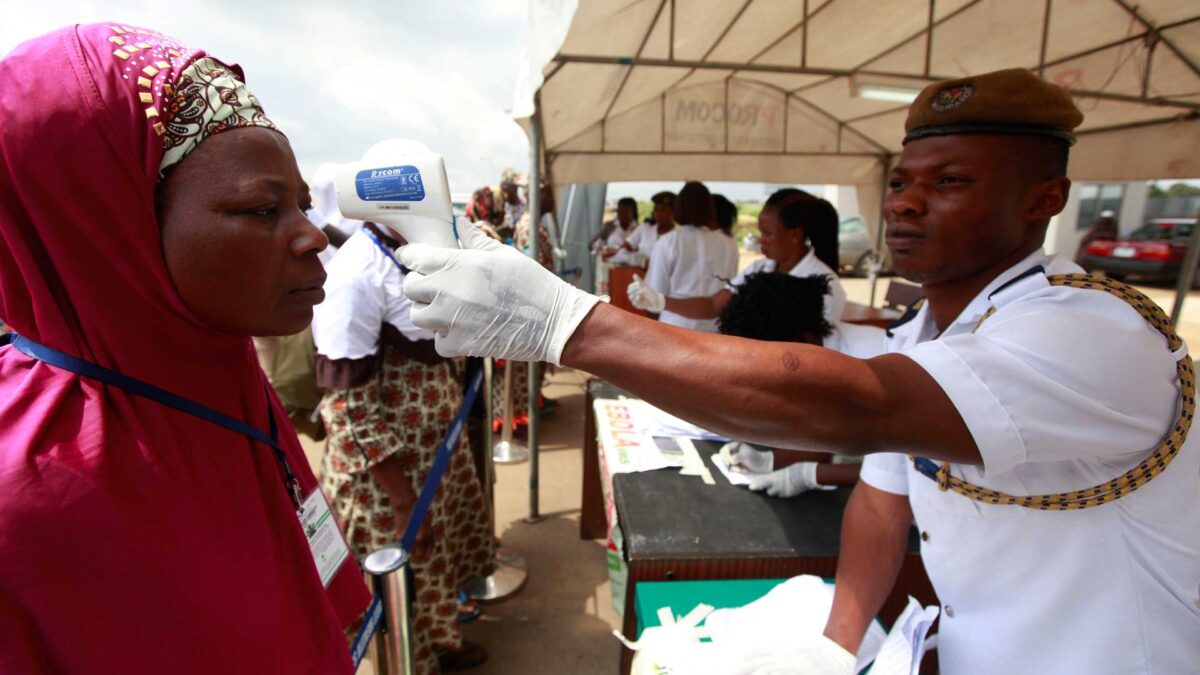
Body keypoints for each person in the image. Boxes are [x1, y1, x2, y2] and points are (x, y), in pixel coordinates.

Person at [397, 68, 1200, 673]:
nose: (906, 206)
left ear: (1044, 199)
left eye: (949, 182)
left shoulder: (1092, 328)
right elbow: (885, 506)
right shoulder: (929, 328)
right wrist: (835, 647)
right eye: (900, 183)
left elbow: (859, 409)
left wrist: (563, 323)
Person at [0, 23, 369, 673]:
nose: (313, 237)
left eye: (305, 206)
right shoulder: (24, 501)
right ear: (111, 227)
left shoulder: (217, 376)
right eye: (263, 209)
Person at [312, 223, 493, 673]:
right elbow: (348, 408)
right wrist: (401, 498)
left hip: (433, 460)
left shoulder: (406, 251)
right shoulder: (358, 273)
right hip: (388, 479)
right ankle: (412, 660)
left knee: (436, 561)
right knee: (398, 582)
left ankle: (441, 641)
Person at [715, 273, 871, 496]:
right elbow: (829, 436)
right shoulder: (815, 351)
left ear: (802, 340)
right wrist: (769, 461)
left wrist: (810, 475)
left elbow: (901, 469)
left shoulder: (870, 363)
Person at [629, 189, 847, 322]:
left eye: (768, 234)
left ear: (794, 235)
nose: (761, 240)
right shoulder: (759, 269)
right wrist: (660, 301)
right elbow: (714, 306)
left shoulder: (824, 284)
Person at [638, 182, 738, 332]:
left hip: (676, 326)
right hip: (715, 328)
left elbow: (654, 292)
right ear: (710, 209)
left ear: (678, 209)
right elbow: (730, 288)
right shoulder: (729, 244)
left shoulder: (669, 241)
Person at [622, 191, 676, 265]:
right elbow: (626, 247)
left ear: (674, 213)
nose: (659, 214)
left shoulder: (678, 238)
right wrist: (637, 258)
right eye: (657, 210)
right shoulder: (645, 228)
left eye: (664, 210)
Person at [594, 196, 639, 262]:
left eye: (625, 212)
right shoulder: (609, 226)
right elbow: (593, 245)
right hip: (609, 266)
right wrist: (601, 249)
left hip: (631, 267)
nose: (621, 215)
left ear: (633, 212)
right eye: (619, 211)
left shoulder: (639, 229)